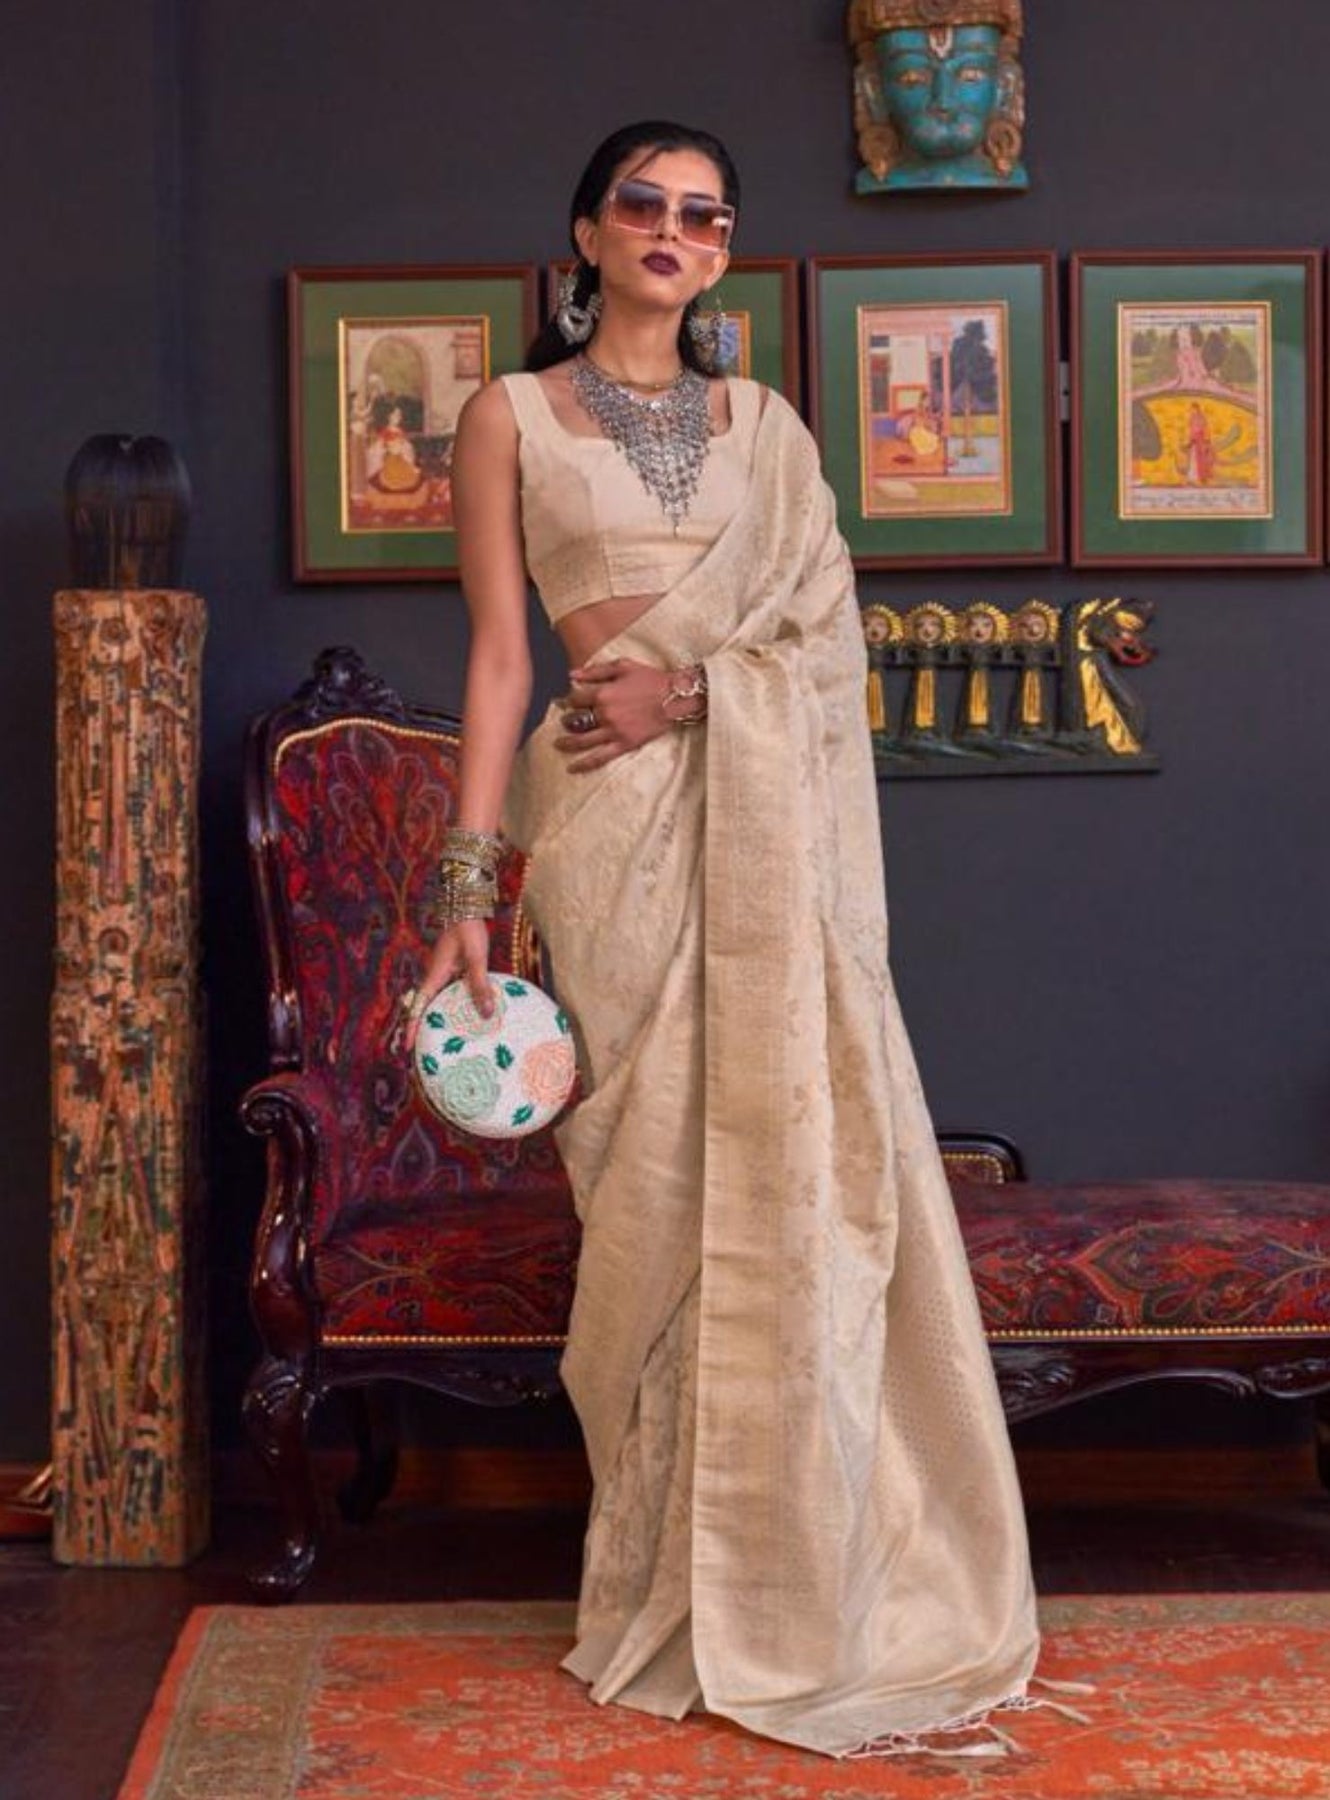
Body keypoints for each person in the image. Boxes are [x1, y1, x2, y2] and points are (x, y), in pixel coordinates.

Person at [412, 119, 1081, 1760]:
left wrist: (697, 688)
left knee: (786, 1182)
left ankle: (797, 1586)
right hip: (607, 833)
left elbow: (828, 649)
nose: (671, 230)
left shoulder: (766, 427)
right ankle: (667, 1580)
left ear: (724, 251)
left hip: (759, 826)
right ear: (585, 232)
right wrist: (467, 887)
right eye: (641, 204)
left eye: (703, 215)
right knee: (651, 1196)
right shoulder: (508, 417)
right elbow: (499, 660)